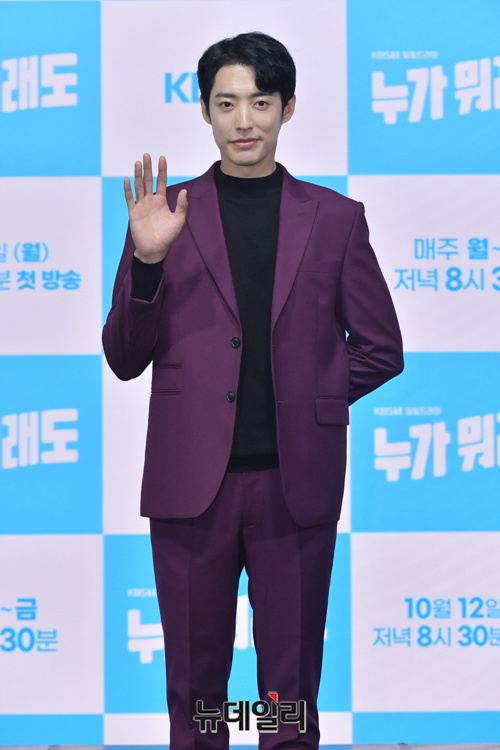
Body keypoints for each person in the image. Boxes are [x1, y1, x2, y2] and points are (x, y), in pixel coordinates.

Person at [103, 31, 403, 750]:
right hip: (189, 490)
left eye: (260, 103)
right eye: (227, 103)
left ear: (287, 108)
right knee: (195, 691)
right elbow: (124, 358)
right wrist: (146, 263)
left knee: (288, 693)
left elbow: (381, 348)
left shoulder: (335, 219)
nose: (244, 121)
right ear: (205, 110)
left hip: (293, 489)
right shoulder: (165, 215)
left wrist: (312, 397)